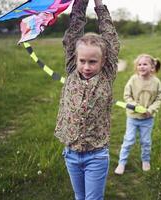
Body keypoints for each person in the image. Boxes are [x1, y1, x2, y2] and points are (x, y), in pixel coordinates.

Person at [54, 0, 119, 199]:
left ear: (103, 61)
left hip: (96, 155)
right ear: (75, 59)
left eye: (93, 62)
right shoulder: (72, 70)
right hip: (71, 153)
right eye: (83, 61)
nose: (87, 66)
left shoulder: (106, 75)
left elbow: (110, 37)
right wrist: (81, 2)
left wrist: (98, 4)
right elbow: (74, 31)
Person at [114, 54, 161, 175]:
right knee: (129, 140)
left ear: (152, 67)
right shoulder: (133, 80)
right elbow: (127, 95)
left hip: (147, 119)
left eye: (145, 64)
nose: (141, 66)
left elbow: (159, 98)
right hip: (133, 117)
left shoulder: (156, 82)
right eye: (139, 64)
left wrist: (150, 110)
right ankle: (122, 162)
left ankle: (145, 161)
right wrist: (134, 106)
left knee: (146, 141)